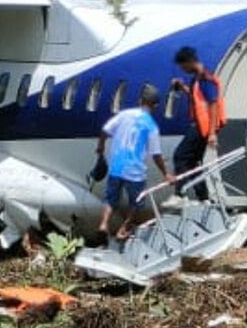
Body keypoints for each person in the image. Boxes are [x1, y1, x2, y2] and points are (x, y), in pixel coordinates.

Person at [96, 84, 176, 242]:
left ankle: (104, 224)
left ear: (140, 100)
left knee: (111, 199)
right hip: (135, 171)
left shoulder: (124, 114)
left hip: (116, 166)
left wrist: (100, 146)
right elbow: (156, 154)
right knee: (137, 202)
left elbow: (105, 130)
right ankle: (124, 228)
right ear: (155, 105)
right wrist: (166, 173)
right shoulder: (151, 126)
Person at [169, 46, 226, 202]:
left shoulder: (205, 78)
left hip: (202, 127)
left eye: (183, 66)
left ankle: (179, 194)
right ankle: (203, 197)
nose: (183, 70)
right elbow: (198, 98)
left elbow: (213, 103)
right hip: (202, 126)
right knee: (194, 162)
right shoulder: (198, 78)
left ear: (189, 62)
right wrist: (183, 88)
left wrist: (213, 133)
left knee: (180, 156)